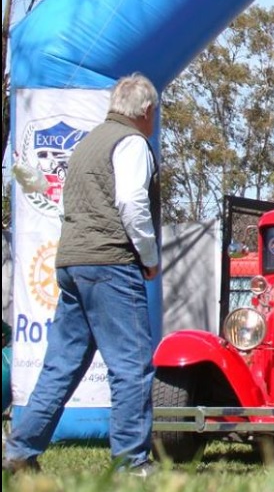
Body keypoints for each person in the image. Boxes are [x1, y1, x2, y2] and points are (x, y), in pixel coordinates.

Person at [2, 73, 162, 477]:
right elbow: (130, 202)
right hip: (111, 264)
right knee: (132, 366)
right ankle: (132, 462)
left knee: (63, 364)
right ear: (146, 112)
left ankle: (21, 450)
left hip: (72, 264)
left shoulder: (87, 144)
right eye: (153, 115)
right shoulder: (131, 143)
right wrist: (148, 255)